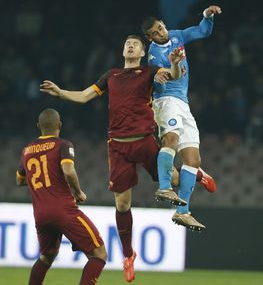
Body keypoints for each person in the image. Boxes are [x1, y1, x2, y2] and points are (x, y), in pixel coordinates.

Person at [40, 35, 189, 282]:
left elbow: (173, 75)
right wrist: (60, 93)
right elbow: (85, 95)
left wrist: (173, 64)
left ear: (142, 52)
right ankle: (129, 255)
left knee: (174, 179)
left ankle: (195, 172)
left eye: (135, 44)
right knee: (121, 204)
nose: (130, 46)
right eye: (127, 44)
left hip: (144, 140)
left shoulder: (150, 71)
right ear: (123, 50)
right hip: (118, 146)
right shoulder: (111, 76)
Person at [141, 5, 222, 232]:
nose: (161, 33)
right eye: (155, 33)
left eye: (161, 27)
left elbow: (201, 31)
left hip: (183, 104)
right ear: (149, 38)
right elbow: (166, 76)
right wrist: (173, 64)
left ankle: (182, 211)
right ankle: (165, 187)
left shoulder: (176, 36)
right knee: (171, 140)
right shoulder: (154, 55)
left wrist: (207, 16)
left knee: (193, 161)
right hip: (165, 101)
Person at [16, 108, 107, 285]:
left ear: (38, 126)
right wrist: (78, 192)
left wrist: (43, 178)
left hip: (40, 214)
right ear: (59, 125)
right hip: (63, 210)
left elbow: (19, 180)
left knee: (46, 257)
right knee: (99, 253)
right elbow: (68, 170)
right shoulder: (63, 145)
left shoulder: (27, 151)